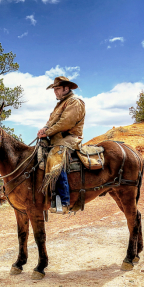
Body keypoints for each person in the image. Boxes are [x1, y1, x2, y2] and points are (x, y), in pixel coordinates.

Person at [37, 76, 85, 214]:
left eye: (57, 89)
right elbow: (52, 120)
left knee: (55, 159)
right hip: (56, 137)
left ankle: (64, 202)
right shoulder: (61, 103)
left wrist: (48, 132)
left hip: (68, 138)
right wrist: (44, 128)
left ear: (66, 88)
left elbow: (66, 123)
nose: (55, 92)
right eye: (54, 89)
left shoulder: (75, 102)